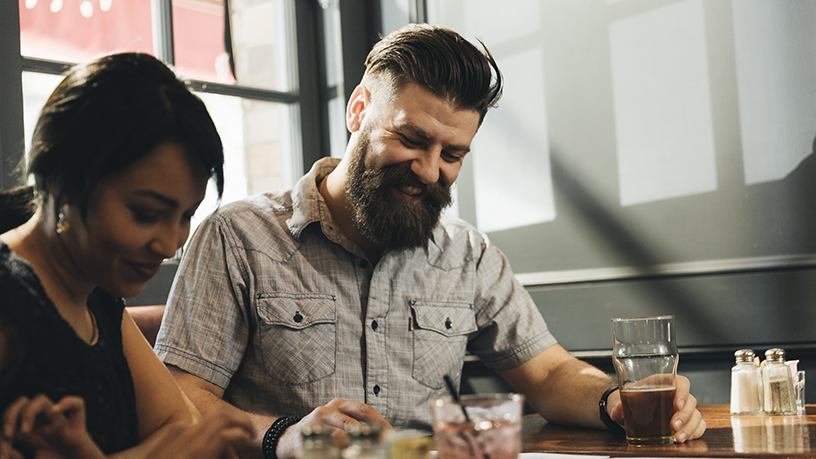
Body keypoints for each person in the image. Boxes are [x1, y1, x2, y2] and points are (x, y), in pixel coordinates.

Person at [155, 24, 707, 459]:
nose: (428, 170)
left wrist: (619, 399)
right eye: (412, 139)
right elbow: (178, 401)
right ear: (359, 109)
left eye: (453, 154)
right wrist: (284, 436)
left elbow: (550, 374)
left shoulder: (468, 255)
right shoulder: (239, 237)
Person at [0, 52, 254, 458]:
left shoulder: (96, 292)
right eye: (146, 214)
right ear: (66, 184)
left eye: (185, 215)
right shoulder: (10, 297)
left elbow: (181, 426)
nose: (170, 244)